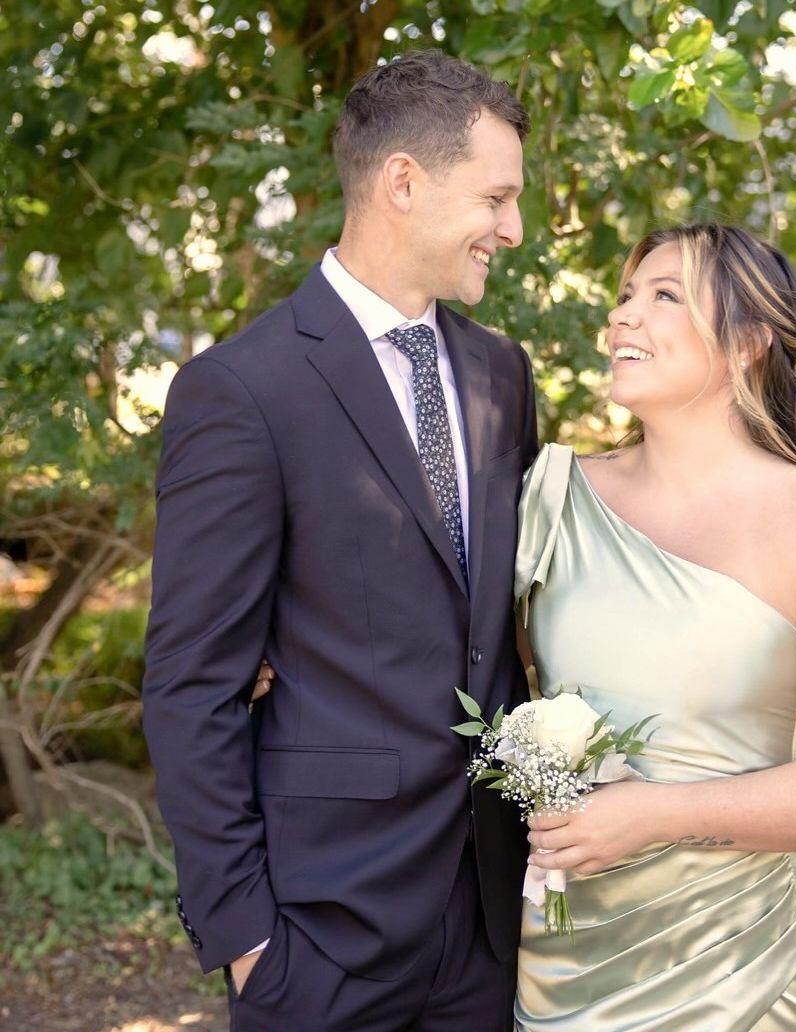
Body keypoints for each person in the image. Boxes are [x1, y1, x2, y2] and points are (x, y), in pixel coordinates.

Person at [141, 50, 537, 1030]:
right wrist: (248, 944)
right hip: (322, 939)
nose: (513, 229)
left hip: (490, 924)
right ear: (403, 181)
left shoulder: (502, 376)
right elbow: (193, 686)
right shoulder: (244, 391)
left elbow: (502, 636)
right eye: (496, 196)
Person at [511, 223, 796, 1030]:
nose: (625, 316)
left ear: (747, 342)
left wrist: (657, 813)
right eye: (627, 295)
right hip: (566, 955)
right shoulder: (551, 495)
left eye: (664, 296)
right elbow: (435, 641)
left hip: (738, 961)